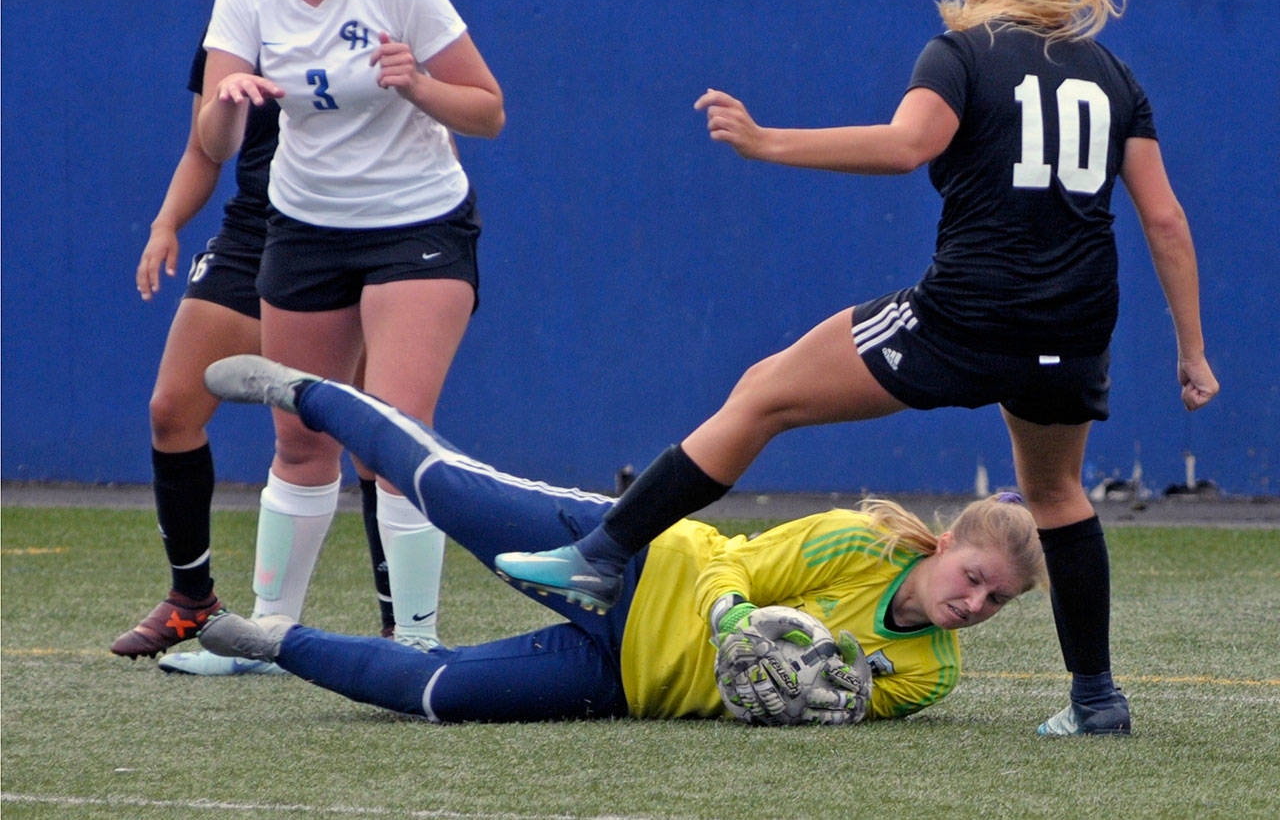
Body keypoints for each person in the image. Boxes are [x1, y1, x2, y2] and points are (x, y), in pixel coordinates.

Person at [494, 0, 1220, 736]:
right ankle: (1097, 699)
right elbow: (1164, 219)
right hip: (1076, 323)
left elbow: (907, 143)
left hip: (967, 315)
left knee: (765, 393)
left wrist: (767, 142)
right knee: (1057, 492)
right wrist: (1191, 349)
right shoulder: (1114, 74)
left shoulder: (962, 52)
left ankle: (601, 555)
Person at [193, 355, 1046, 724]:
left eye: (996, 599)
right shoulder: (857, 543)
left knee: (437, 695)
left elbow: (835, 707)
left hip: (633, 679)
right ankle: (301, 388)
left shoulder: (933, 673)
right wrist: (733, 620)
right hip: (637, 566)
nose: (974, 602)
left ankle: (276, 641)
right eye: (975, 575)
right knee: (445, 487)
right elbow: (732, 560)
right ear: (943, 543)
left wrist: (803, 689)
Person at [195, 0, 505, 663]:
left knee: (396, 438)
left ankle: (416, 639)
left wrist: (420, 84)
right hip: (304, 225)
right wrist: (230, 97)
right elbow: (214, 137)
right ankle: (262, 635)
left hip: (418, 225)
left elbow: (487, 109)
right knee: (300, 440)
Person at [110, 0, 400, 669]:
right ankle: (194, 602)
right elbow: (210, 140)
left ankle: (402, 631)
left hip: (349, 229)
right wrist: (167, 222)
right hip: (255, 227)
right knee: (174, 407)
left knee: (366, 431)